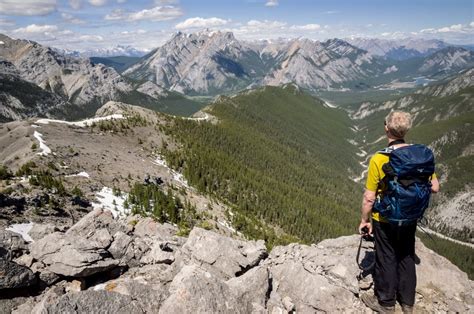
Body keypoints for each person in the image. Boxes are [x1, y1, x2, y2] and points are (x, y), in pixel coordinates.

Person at [358, 111, 439, 313]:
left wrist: (364, 220)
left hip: (385, 217)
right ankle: (407, 303)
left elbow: (369, 197)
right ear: (407, 129)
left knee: (386, 256)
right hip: (410, 216)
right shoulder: (421, 156)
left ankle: (386, 303)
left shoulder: (379, 158)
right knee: (406, 255)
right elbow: (435, 187)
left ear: (386, 128)